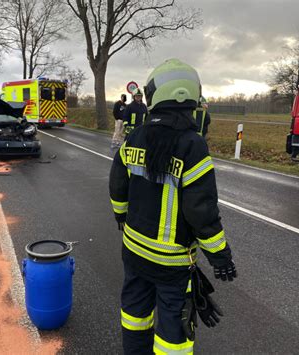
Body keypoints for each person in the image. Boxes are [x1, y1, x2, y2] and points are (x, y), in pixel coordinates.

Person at [109, 59, 236, 355]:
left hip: (134, 252)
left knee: (135, 316)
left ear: (154, 94)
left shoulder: (136, 137)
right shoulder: (193, 145)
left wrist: (120, 214)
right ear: (191, 95)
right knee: (173, 335)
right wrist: (220, 256)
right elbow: (201, 210)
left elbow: (117, 184)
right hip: (172, 264)